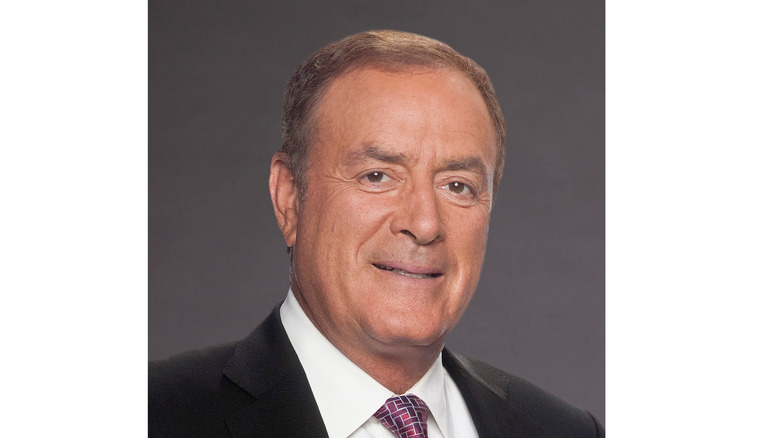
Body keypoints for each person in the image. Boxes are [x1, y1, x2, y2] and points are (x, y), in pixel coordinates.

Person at [149, 30, 604, 437]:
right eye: (377, 176)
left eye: (457, 186)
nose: (424, 224)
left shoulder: (563, 431)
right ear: (289, 198)